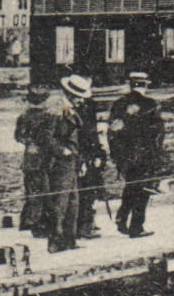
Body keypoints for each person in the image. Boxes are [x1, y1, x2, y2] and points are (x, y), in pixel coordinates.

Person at [109, 72, 164, 238]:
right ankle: (136, 226)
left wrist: (116, 154)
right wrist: (156, 155)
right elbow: (158, 133)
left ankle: (122, 217)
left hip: (125, 156)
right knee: (143, 190)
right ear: (145, 85)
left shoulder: (118, 104)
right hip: (144, 155)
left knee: (130, 186)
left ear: (131, 85)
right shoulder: (151, 104)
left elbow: (112, 132)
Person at [62, 74, 105, 238]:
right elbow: (82, 134)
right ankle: (81, 227)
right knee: (82, 191)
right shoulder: (67, 110)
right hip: (79, 154)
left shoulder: (87, 105)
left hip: (87, 152)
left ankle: (85, 224)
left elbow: (91, 132)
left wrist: (97, 152)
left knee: (88, 190)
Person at [40, 86, 82, 253]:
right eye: (79, 97)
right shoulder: (56, 111)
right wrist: (61, 150)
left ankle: (69, 239)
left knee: (73, 202)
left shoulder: (70, 110)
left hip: (71, 161)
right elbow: (45, 137)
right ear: (71, 95)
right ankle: (55, 241)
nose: (81, 100)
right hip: (59, 163)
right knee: (59, 203)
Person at [13, 87, 51, 237]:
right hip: (42, 158)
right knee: (43, 191)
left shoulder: (24, 116)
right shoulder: (47, 116)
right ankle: (38, 224)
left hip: (32, 158)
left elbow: (18, 136)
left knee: (34, 191)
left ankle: (32, 222)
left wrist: (29, 143)